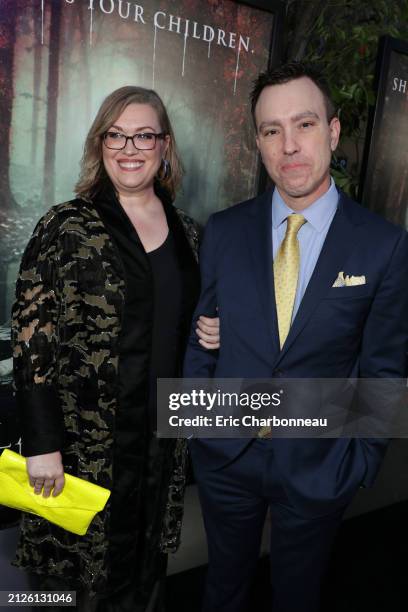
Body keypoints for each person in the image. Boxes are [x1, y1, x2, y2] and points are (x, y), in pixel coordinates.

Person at [183, 61, 408, 612]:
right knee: (222, 591)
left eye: (304, 125)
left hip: (319, 464)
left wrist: (358, 462)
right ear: (258, 143)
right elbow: (201, 337)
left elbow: (384, 368)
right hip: (227, 458)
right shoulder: (224, 230)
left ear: (331, 132)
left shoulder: (384, 246)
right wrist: (198, 429)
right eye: (271, 130)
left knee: (298, 597)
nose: (289, 145)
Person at [11, 86, 219, 611]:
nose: (130, 147)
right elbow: (32, 337)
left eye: (144, 134)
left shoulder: (191, 237)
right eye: (117, 134)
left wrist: (216, 331)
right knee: (76, 587)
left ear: (164, 145)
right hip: (82, 449)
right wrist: (41, 442)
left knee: (147, 577)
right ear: (100, 143)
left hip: (159, 447)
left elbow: (189, 325)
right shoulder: (65, 227)